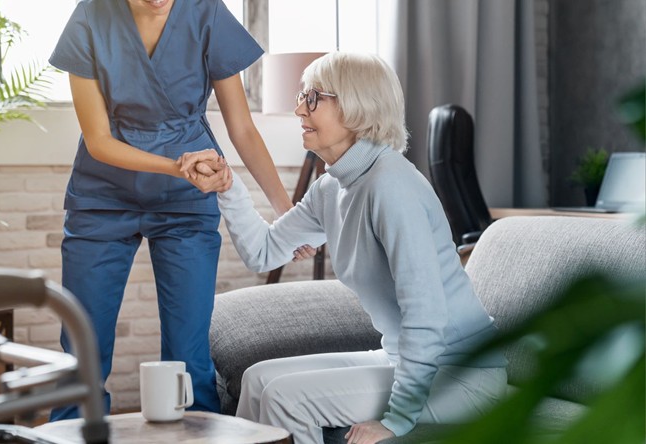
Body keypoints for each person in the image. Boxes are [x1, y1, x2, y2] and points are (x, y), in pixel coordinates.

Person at [179, 52, 508, 444]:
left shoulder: (391, 186)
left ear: (356, 106)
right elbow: (263, 252)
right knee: (257, 378)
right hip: (400, 356)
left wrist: (397, 419)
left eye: (313, 97)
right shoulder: (332, 188)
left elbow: (426, 313)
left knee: (286, 399)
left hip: (462, 374)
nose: (298, 107)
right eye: (302, 96)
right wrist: (228, 187)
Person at [47, 0, 311, 420]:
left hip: (186, 201)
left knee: (190, 355)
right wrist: (176, 166)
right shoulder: (91, 15)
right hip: (104, 194)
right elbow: (98, 140)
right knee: (82, 346)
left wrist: (284, 210)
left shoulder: (206, 13)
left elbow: (241, 127)